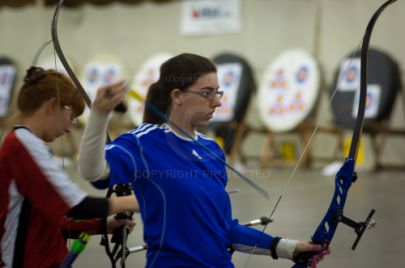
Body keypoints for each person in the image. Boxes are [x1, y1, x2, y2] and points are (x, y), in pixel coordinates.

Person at [78, 53, 328, 267]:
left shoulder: (212, 150)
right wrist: (99, 115)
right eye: (207, 93)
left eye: (217, 93)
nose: (218, 102)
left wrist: (289, 248)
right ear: (177, 96)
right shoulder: (143, 142)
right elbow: (94, 173)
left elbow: (225, 230)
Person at [0, 67, 138, 268]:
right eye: (71, 117)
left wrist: (102, 225)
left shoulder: (26, 144)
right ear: (53, 106)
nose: (68, 128)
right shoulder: (21, 145)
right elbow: (76, 206)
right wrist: (136, 201)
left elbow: (52, 218)